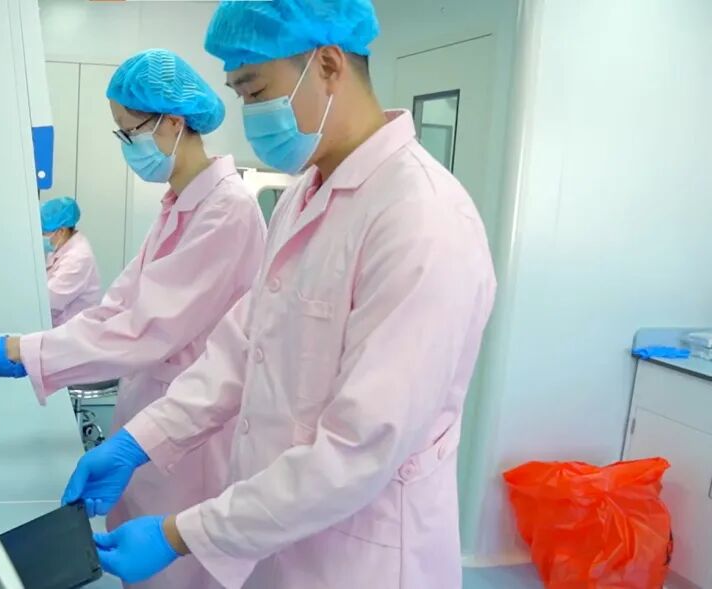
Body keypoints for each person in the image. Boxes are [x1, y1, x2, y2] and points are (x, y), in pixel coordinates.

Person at [59, 1, 498, 588]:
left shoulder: (422, 219)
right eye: (239, 94)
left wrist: (182, 535)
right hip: (275, 540)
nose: (249, 115)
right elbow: (242, 350)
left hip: (359, 562)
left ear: (329, 65)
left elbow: (360, 447)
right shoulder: (302, 196)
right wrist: (139, 442)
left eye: (256, 90)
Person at [0, 48, 267, 588]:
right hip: (152, 415)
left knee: (178, 576)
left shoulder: (228, 210)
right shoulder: (180, 204)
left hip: (193, 438)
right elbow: (117, 306)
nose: (127, 145)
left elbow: (144, 328)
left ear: (173, 123)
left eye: (131, 131)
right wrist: (19, 350)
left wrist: (12, 351)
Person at [39, 197, 102, 327]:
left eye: (44, 232)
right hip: (61, 328)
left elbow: (48, 301)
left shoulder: (78, 258)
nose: (43, 237)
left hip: (75, 331)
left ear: (61, 231)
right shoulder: (60, 246)